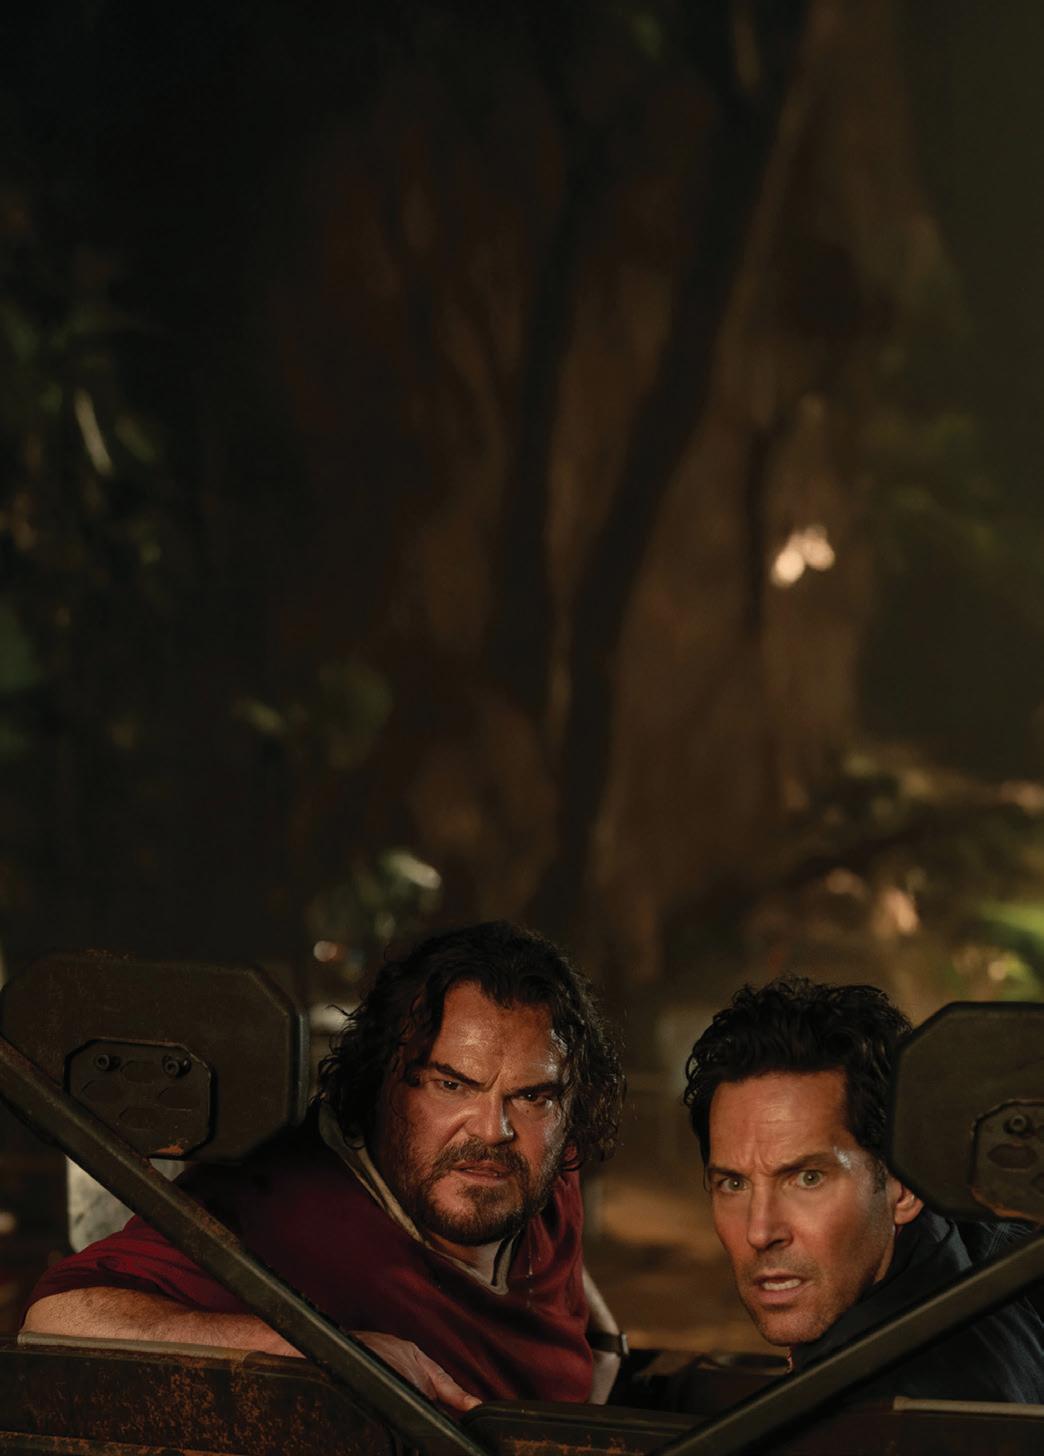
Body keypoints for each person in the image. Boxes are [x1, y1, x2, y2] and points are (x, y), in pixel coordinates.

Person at [22, 921, 627, 1411]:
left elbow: (573, 1292)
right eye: (450, 1085)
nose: (493, 1130)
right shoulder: (277, 1204)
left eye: (532, 1096)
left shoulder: (538, 1168)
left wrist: (605, 1348)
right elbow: (58, 1318)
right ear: (382, 1080)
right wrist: (329, 1352)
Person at [680, 977, 1044, 1403]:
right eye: (734, 1183)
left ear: (904, 1188)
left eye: (808, 1178)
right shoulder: (977, 1260)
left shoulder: (895, 1409)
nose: (760, 1232)